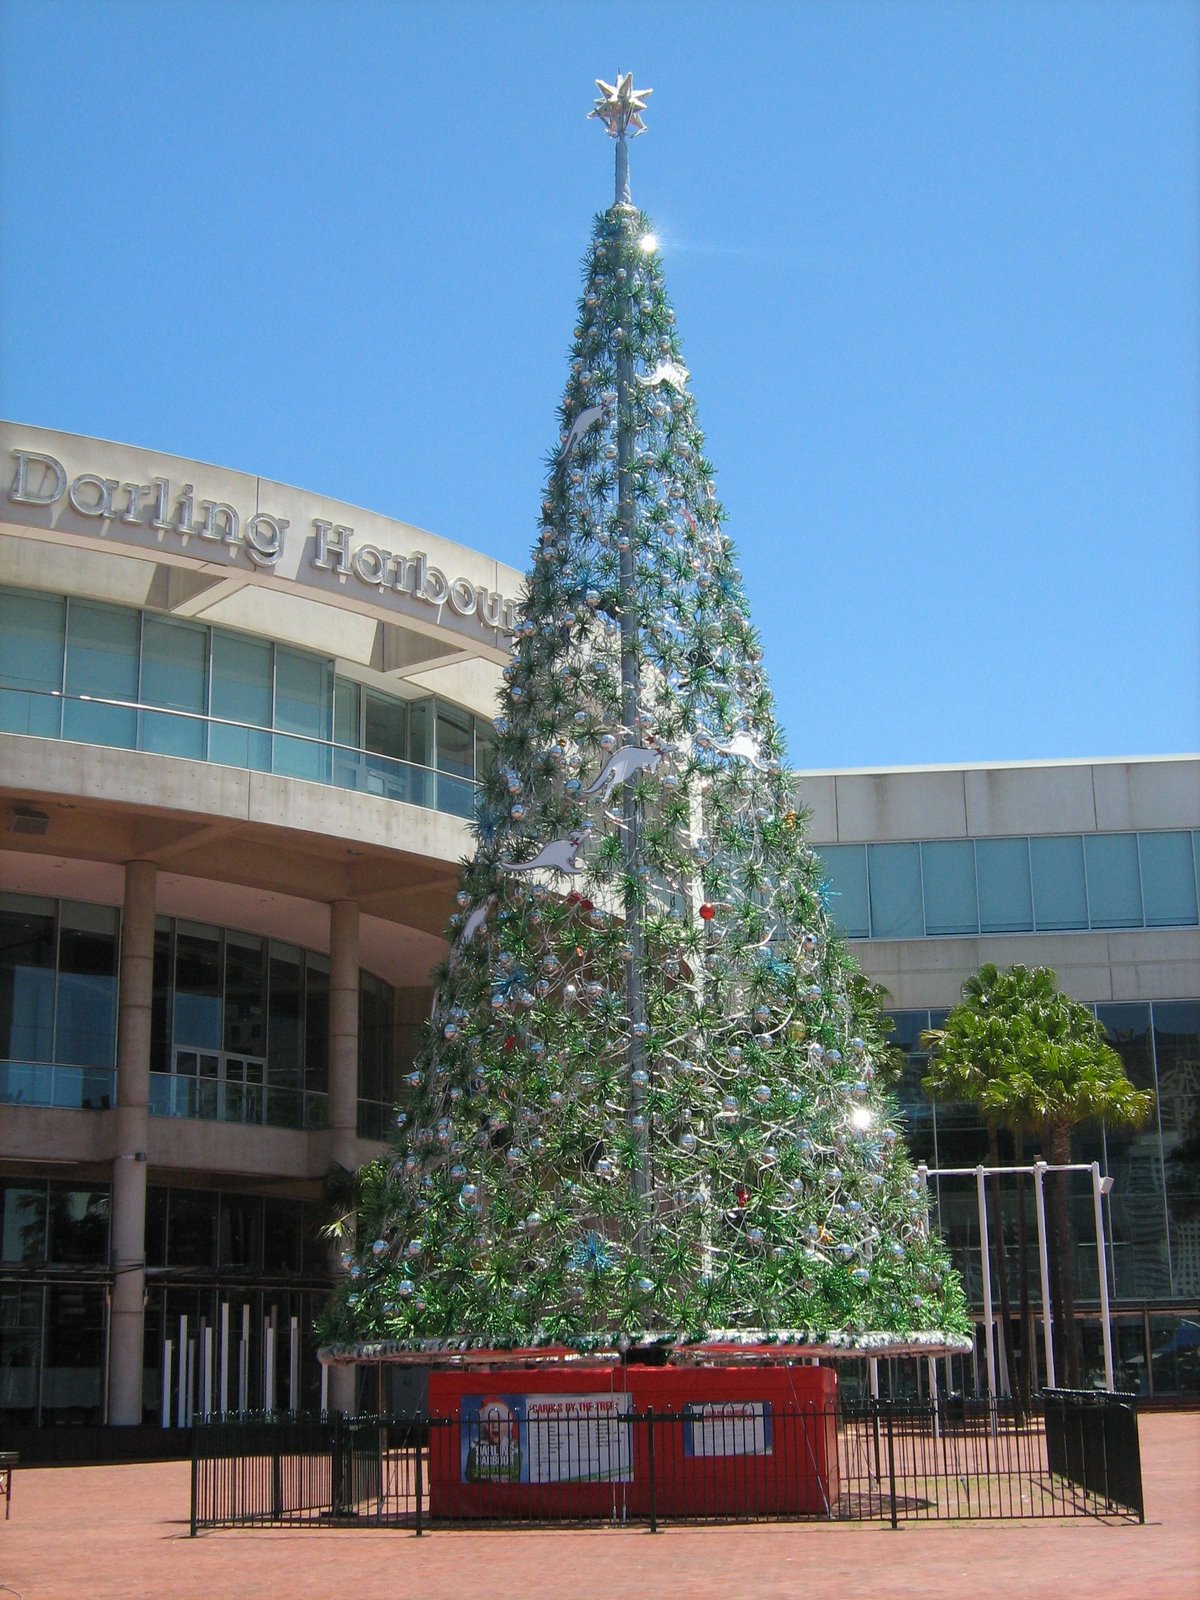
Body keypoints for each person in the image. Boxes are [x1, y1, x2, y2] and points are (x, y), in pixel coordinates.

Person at [464, 1396, 522, 1483]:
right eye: (489, 1421)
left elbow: (516, 1476)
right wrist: (488, 1479)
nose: (495, 1425)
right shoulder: (475, 1449)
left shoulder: (515, 1448)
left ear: (508, 1426)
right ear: (483, 1428)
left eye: (500, 1421)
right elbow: (469, 1475)